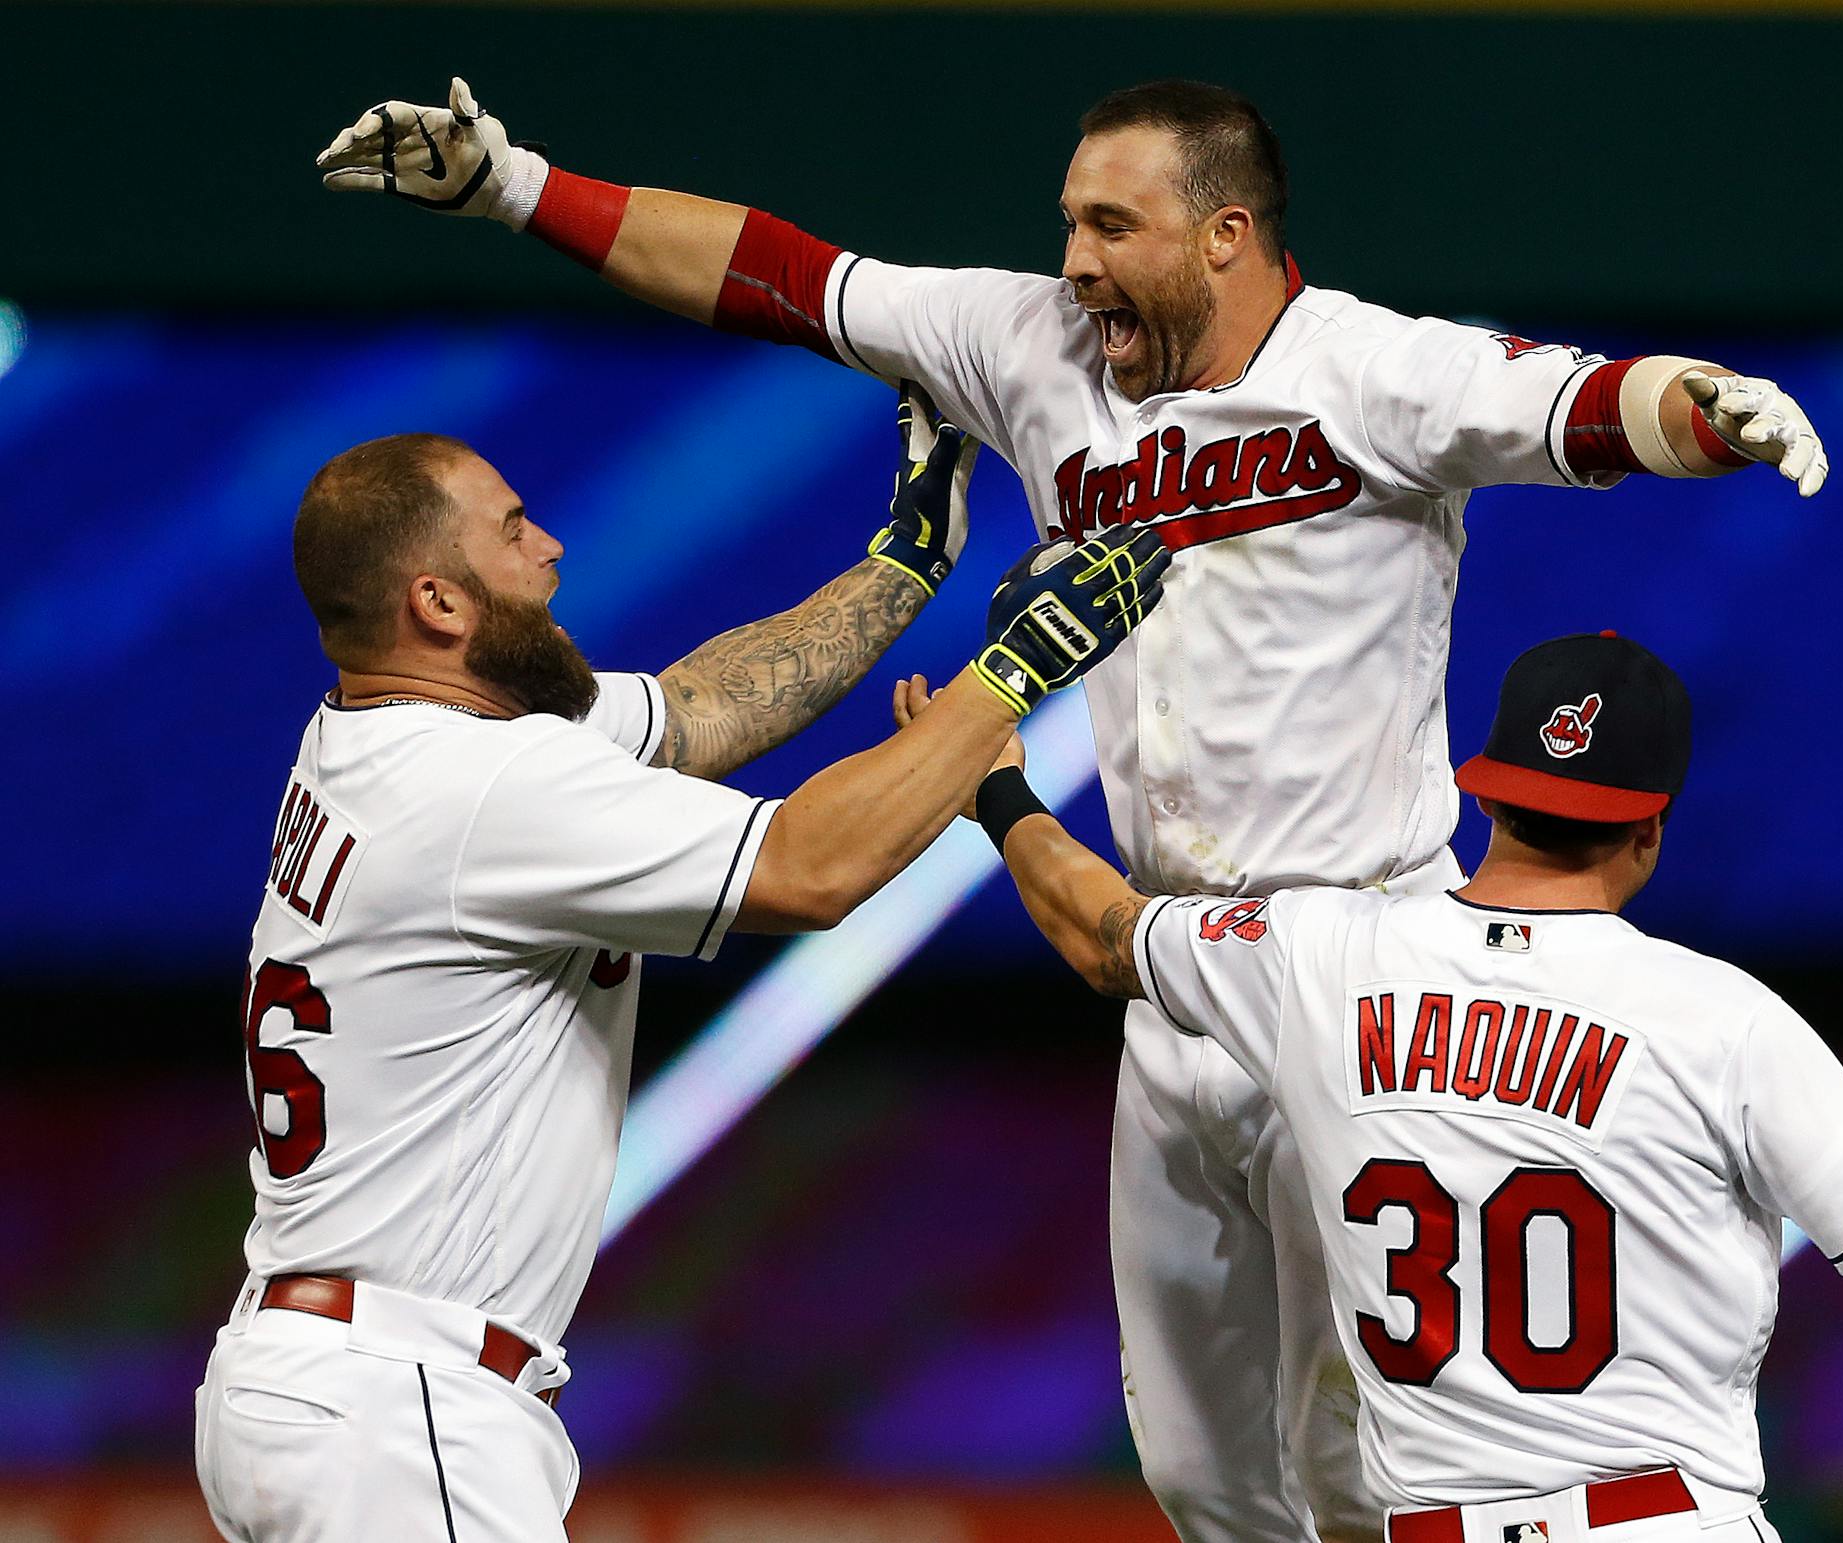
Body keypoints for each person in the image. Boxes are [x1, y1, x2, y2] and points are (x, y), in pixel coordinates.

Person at [316, 76, 1833, 1543]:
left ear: (1227, 234)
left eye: (1115, 226)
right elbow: (777, 275)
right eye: (1069, 222)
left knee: (1377, 1457)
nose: (1076, 262)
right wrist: (520, 190)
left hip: (1363, 966)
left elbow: (1582, 403)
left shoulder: (1377, 369)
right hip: (1168, 967)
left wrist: (1708, 409)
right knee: (1200, 1471)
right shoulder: (1032, 342)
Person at [193, 402, 1168, 1543]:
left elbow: (701, 707)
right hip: (396, 1407)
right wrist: (1013, 672)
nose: (548, 543)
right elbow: (814, 869)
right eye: (511, 530)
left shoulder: (382, 728)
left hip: (321, 1383)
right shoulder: (483, 793)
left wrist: (907, 560)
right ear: (439, 603)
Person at [968, 629, 1843, 1542]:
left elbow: (1102, 931)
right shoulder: (1719, 1017)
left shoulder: (1317, 958)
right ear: (1649, 827)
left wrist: (998, 786)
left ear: (1485, 791)